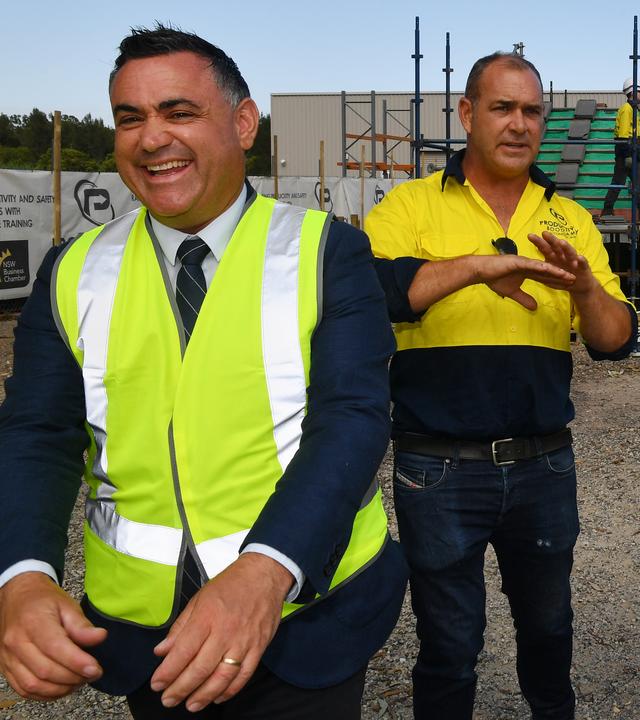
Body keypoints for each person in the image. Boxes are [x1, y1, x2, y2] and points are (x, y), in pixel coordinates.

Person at [0, 25, 406, 718]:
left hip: (304, 623)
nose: (151, 137)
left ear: (243, 123)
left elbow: (353, 418)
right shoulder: (73, 269)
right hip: (143, 641)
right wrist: (22, 576)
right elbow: (37, 433)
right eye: (131, 118)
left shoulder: (324, 252)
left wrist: (267, 569)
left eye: (179, 111)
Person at [363, 52, 637, 720]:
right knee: (450, 646)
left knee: (549, 633)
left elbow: (615, 340)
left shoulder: (569, 217)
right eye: (502, 108)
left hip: (544, 465)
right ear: (466, 114)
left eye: (532, 110)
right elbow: (377, 295)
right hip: (438, 469)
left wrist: (585, 288)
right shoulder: (410, 206)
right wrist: (480, 266)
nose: (519, 124)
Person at [602, 78, 640, 220]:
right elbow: (624, 135)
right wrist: (628, 156)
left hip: (632, 151)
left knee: (635, 183)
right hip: (627, 152)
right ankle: (607, 210)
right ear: (633, 92)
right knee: (619, 182)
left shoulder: (632, 109)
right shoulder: (627, 109)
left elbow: (634, 134)